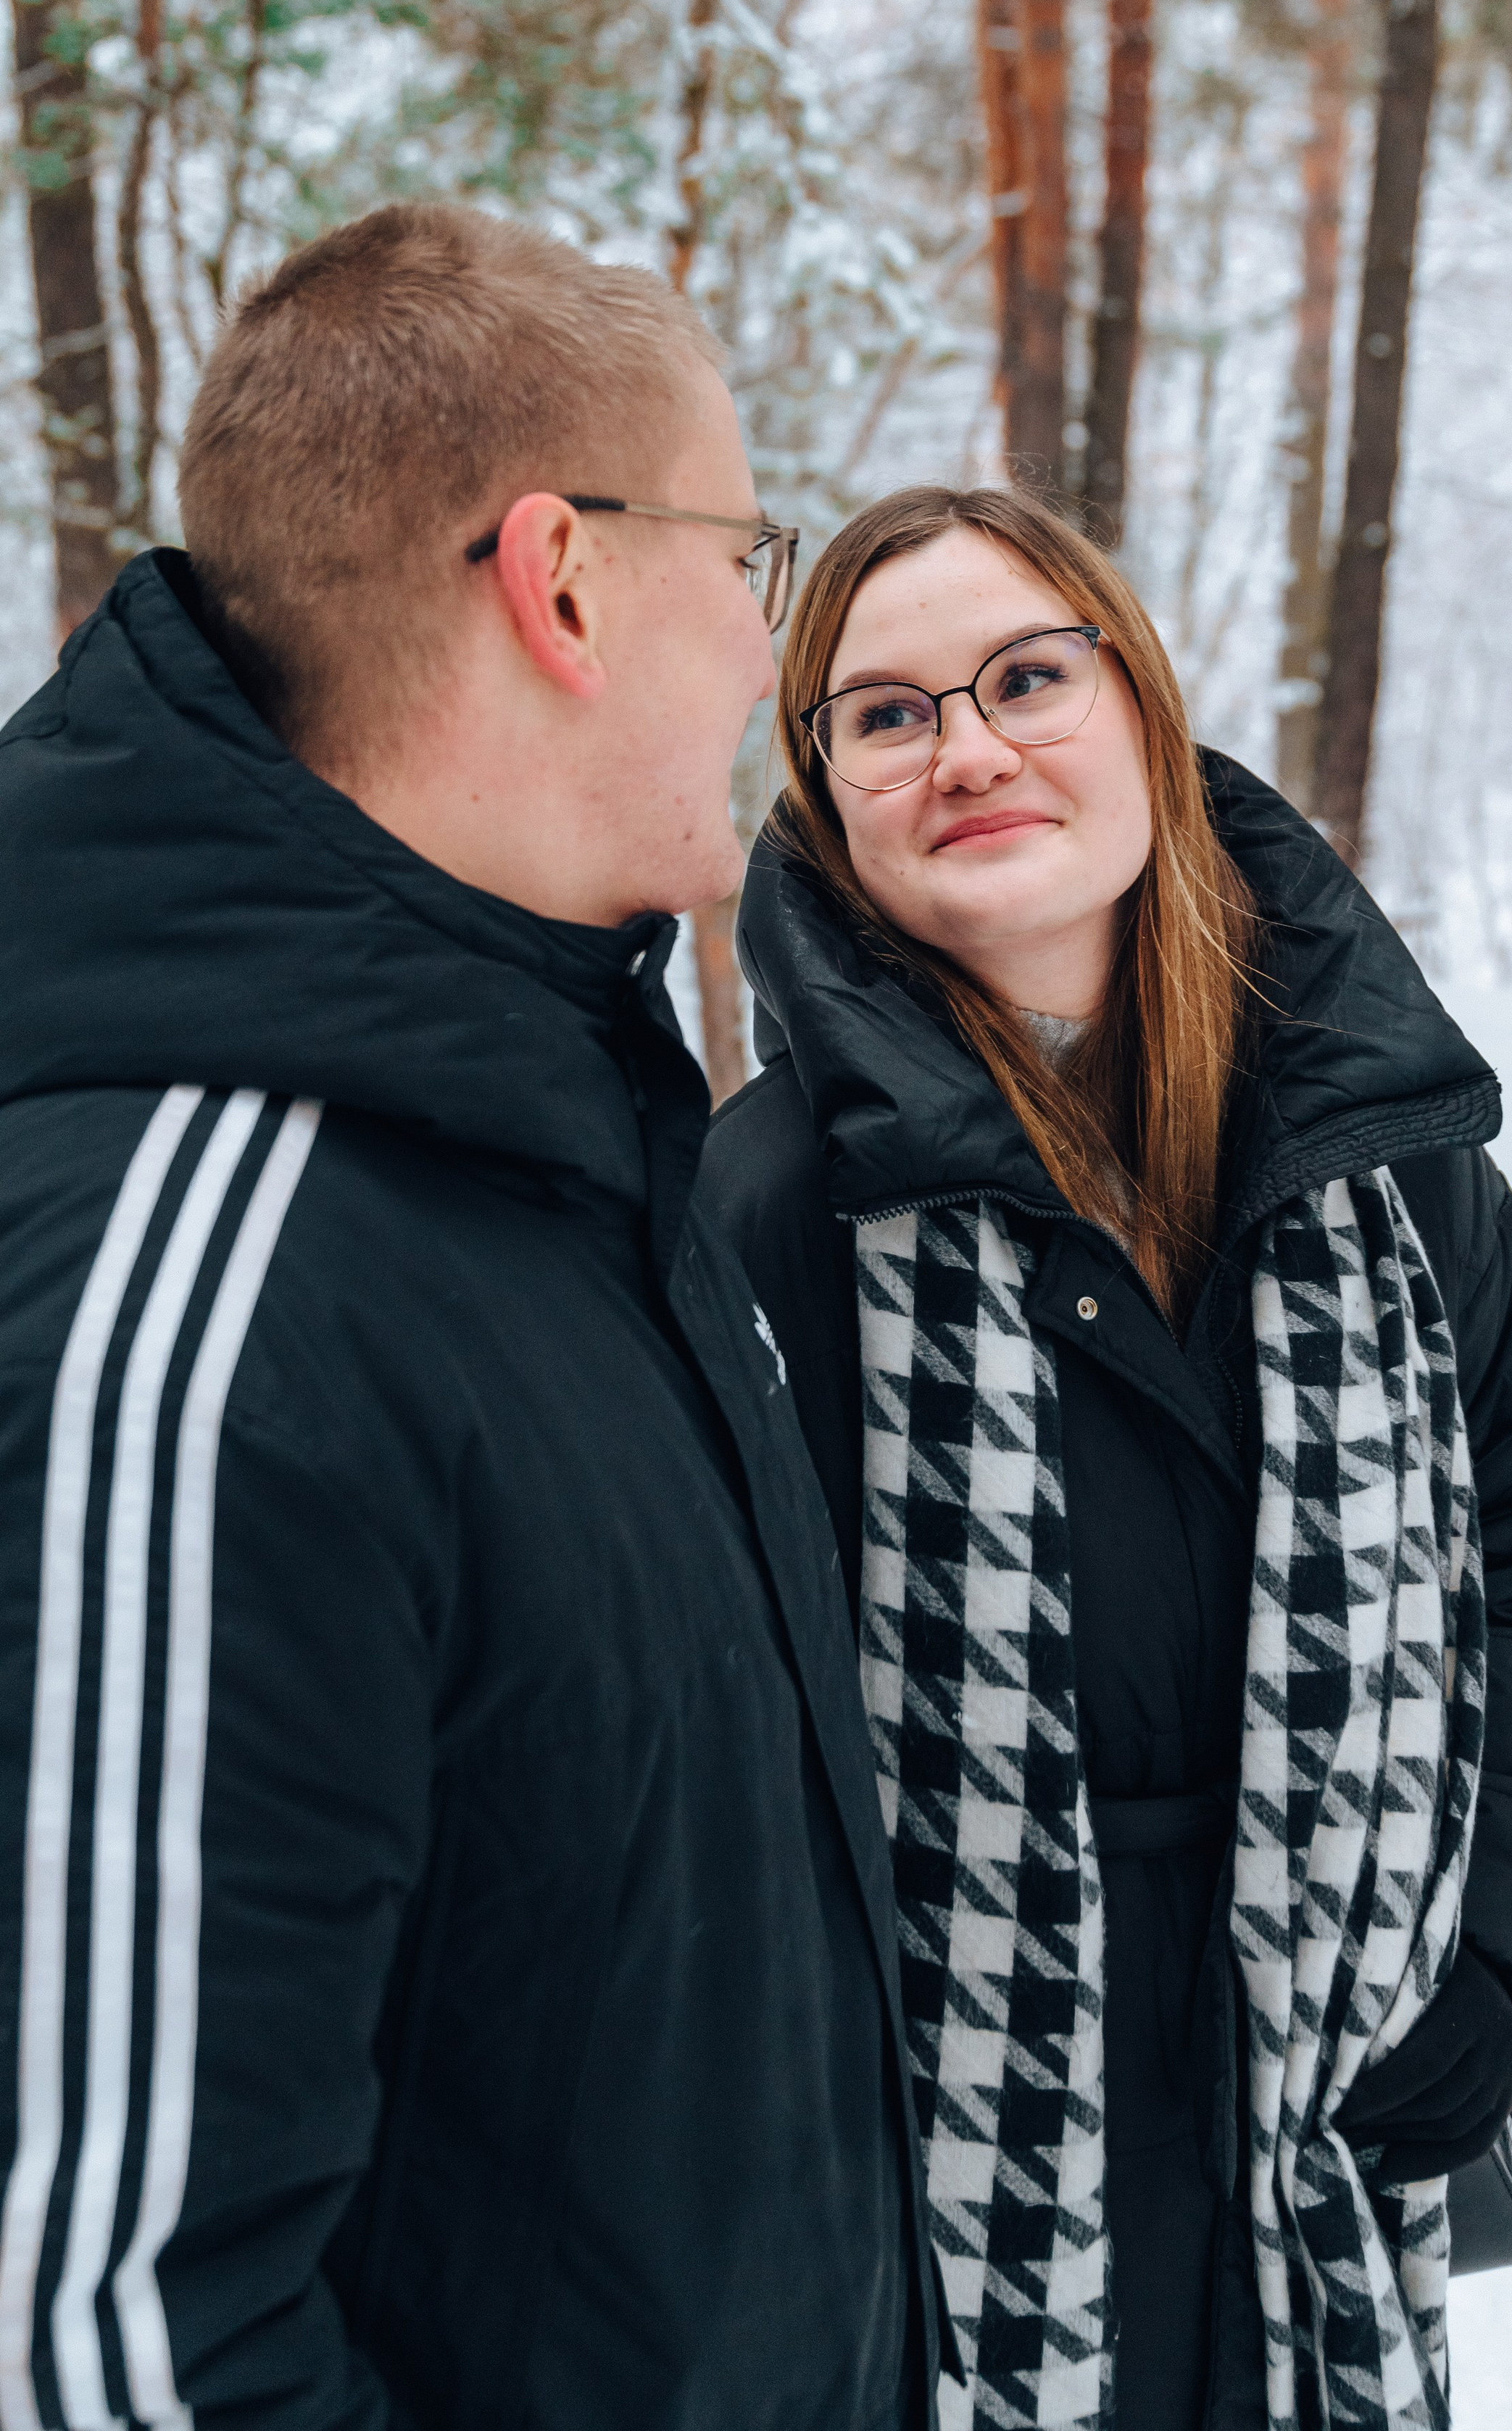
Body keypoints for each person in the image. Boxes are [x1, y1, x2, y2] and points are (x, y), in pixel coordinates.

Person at [0, 206, 941, 2431]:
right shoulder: (205, 1292)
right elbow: (95, 2333)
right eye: (751, 557)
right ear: (564, 578)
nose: (768, 653)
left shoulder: (564, 1161)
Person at [699, 484, 1512, 2431]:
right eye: (884, 712)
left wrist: (1508, 1951)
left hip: (1334, 2108)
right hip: (951, 2160)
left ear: (1139, 702)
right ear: (825, 799)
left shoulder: (1393, 1156)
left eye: (1026, 674)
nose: (966, 748)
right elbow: (696, 1722)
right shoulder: (771, 1209)